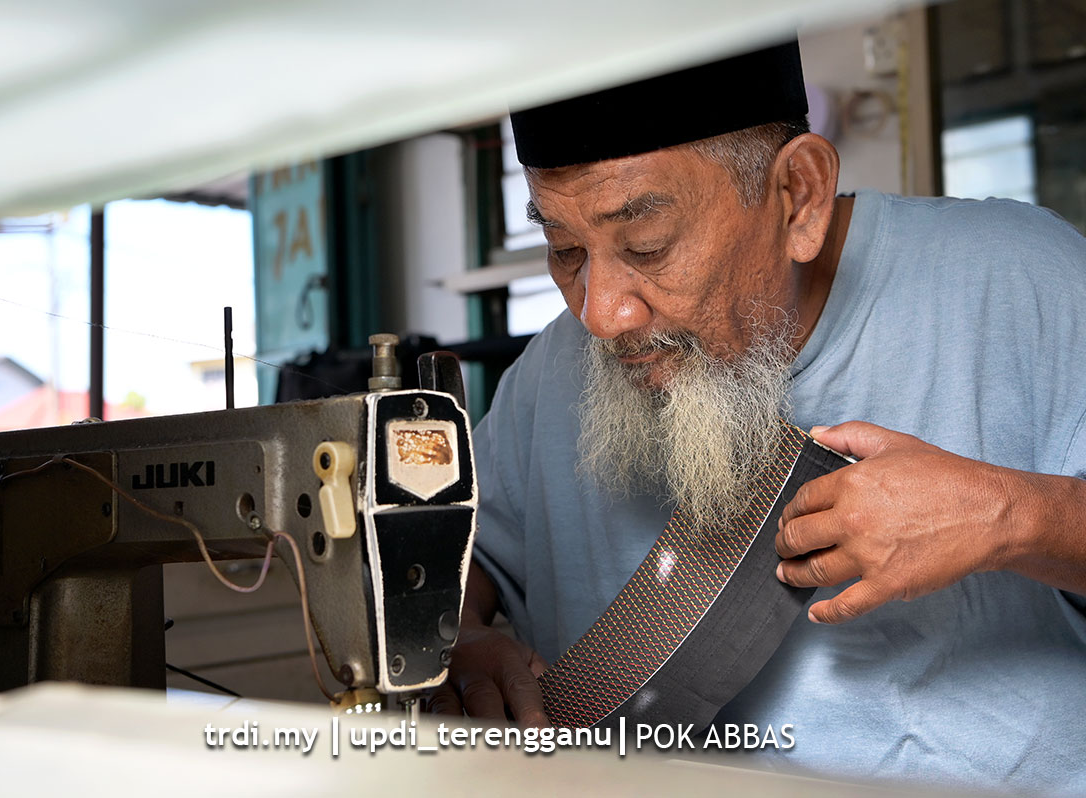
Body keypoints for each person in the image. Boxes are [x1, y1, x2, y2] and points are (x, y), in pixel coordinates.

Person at [429, 39, 1086, 792]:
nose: (601, 314)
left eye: (648, 244)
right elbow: (466, 556)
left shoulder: (1024, 280)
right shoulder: (552, 371)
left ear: (797, 196)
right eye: (565, 248)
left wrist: (1011, 516)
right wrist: (459, 641)